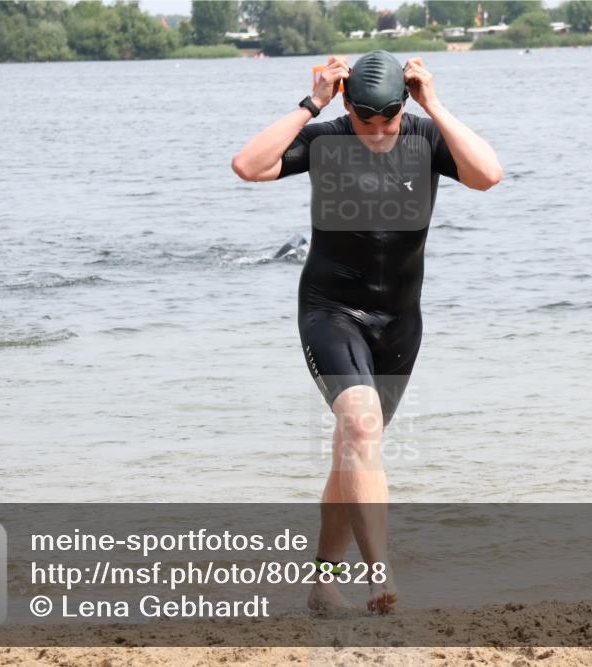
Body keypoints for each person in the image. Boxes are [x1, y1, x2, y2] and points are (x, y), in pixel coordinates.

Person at [232, 50, 502, 615]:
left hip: (400, 322)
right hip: (331, 311)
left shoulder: (425, 137)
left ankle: (323, 583)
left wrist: (434, 104)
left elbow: (487, 175)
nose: (378, 132)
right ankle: (380, 573)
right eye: (365, 120)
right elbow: (249, 166)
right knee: (359, 423)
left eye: (389, 120)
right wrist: (311, 103)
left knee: (355, 449)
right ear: (348, 106)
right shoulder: (326, 138)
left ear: (405, 105)